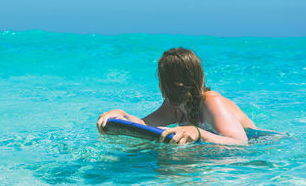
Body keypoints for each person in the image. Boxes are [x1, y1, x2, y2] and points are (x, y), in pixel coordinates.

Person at [97, 47, 256, 145]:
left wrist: (197, 132)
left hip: (261, 144)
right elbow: (144, 125)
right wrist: (121, 114)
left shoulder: (211, 101)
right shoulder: (174, 106)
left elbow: (240, 143)